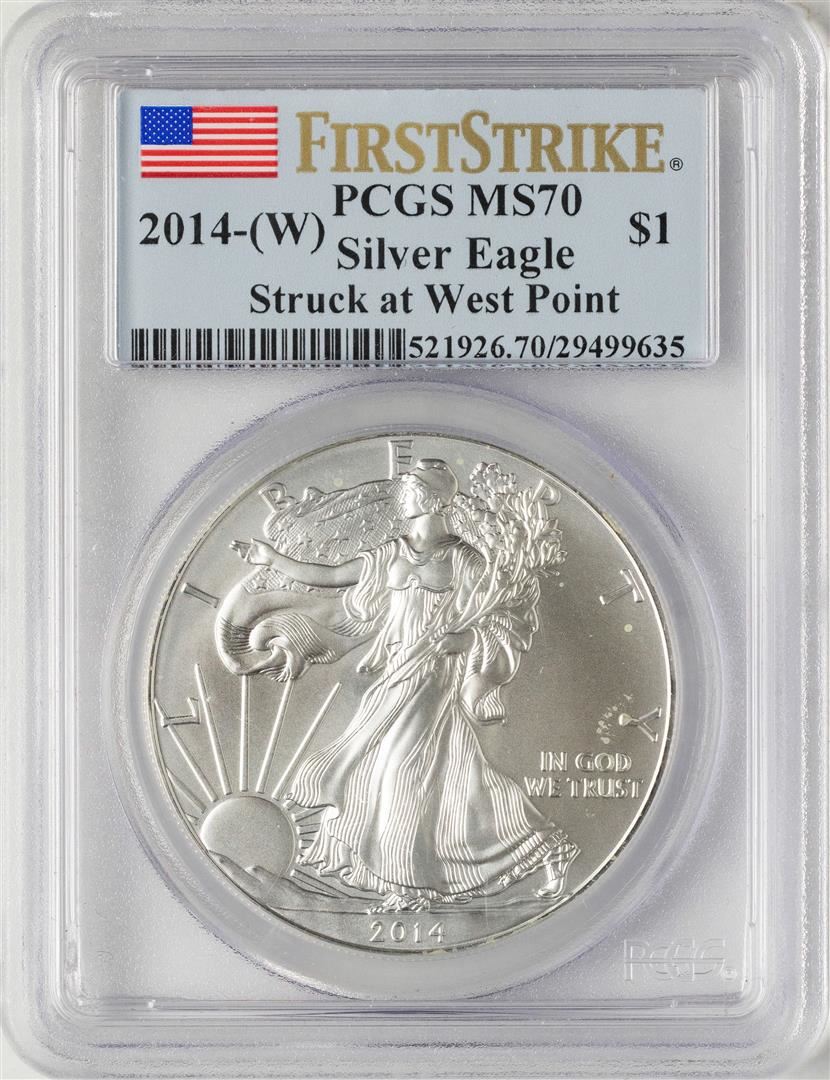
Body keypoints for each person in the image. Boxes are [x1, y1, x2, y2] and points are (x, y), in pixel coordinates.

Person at [237, 459, 578, 912]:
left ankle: (408, 884)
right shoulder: (391, 553)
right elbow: (331, 576)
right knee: (452, 776)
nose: (405, 493)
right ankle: (545, 848)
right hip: (398, 670)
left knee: (398, 769)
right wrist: (273, 559)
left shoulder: (464, 559)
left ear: (434, 499)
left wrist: (466, 640)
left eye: (414, 488)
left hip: (434, 673)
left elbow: (502, 619)